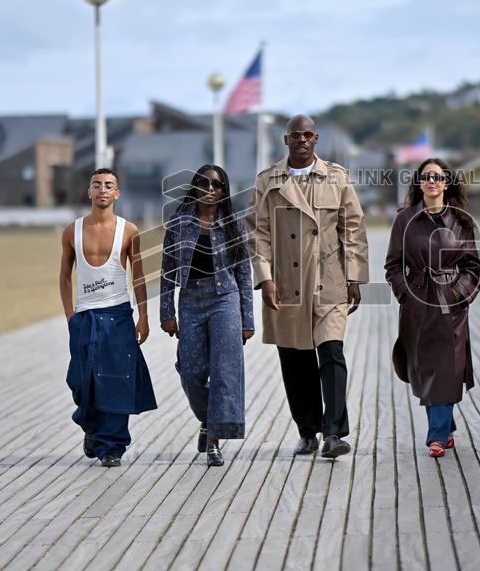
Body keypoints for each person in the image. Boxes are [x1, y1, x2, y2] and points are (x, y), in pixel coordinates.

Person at [247, 114, 369, 459]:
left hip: (328, 279)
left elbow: (354, 228)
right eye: (294, 135)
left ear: (316, 139)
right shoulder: (268, 181)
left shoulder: (336, 176)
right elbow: (258, 232)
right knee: (295, 359)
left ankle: (334, 434)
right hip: (286, 282)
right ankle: (307, 431)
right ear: (286, 141)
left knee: (332, 353)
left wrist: (355, 276)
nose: (301, 140)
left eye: (307, 135)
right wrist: (265, 277)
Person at [59, 168, 158, 467]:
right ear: (89, 191)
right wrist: (70, 316)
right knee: (80, 380)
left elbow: (138, 276)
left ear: (117, 193)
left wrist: (143, 317)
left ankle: (111, 447)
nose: (102, 190)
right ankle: (90, 425)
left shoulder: (129, 231)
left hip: (118, 315)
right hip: (85, 316)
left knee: (117, 382)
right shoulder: (71, 231)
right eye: (97, 185)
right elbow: (64, 276)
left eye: (109, 186)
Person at [385, 158, 480, 458]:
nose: (432, 182)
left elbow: (473, 268)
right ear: (419, 183)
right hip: (417, 305)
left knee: (447, 368)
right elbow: (393, 265)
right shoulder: (404, 220)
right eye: (426, 177)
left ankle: (436, 435)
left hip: (450, 305)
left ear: (447, 183)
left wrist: (457, 295)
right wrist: (406, 294)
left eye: (438, 177)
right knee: (425, 369)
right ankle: (446, 425)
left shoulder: (462, 221)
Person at [160, 165, 254, 467]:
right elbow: (166, 271)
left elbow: (243, 271)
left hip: (225, 299)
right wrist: (166, 312)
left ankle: (214, 441)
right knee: (190, 372)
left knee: (225, 371)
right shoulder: (179, 222)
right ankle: (208, 419)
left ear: (223, 191)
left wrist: (247, 318)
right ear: (196, 187)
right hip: (190, 301)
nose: (210, 189)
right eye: (204, 184)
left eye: (216, 185)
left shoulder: (232, 223)